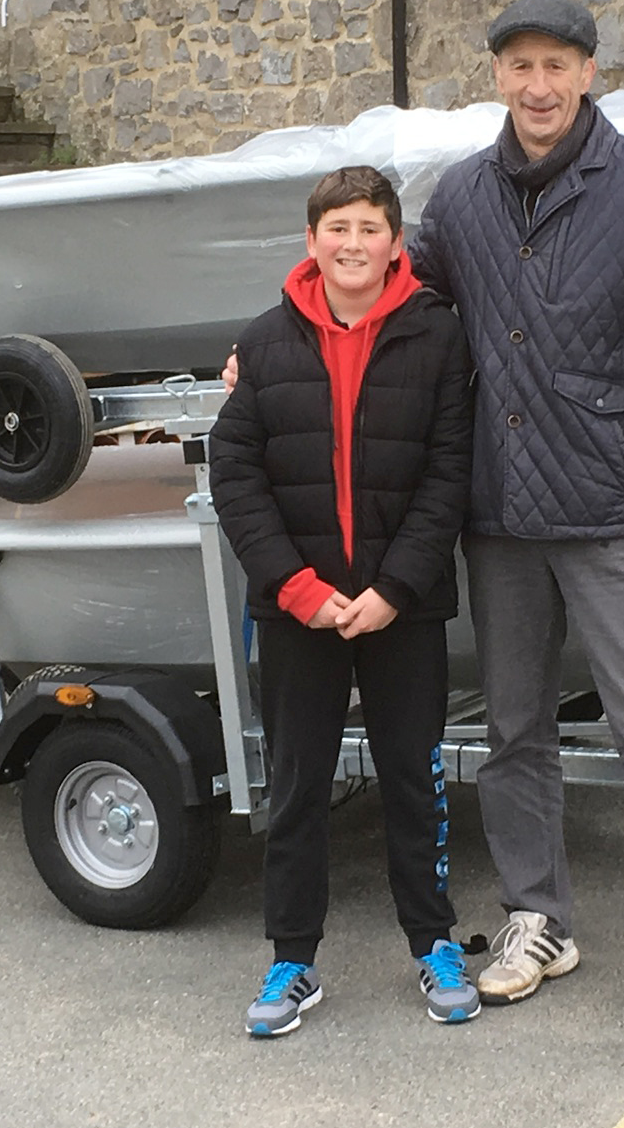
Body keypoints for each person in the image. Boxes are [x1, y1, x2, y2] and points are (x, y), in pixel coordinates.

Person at [411, 0, 624, 1045]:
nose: (538, 86)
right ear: (496, 77)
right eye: (519, 67)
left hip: (610, 511)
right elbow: (394, 304)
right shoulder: (460, 198)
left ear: (588, 73)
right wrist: (272, 329)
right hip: (498, 513)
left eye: (557, 65)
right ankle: (536, 920)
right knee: (512, 737)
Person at [208, 164, 478, 1037]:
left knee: (414, 776)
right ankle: (292, 957)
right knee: (296, 784)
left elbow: (450, 473)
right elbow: (236, 474)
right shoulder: (265, 344)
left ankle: (433, 943)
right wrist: (298, 588)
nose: (353, 243)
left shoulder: (438, 337)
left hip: (406, 606)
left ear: (396, 242)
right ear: (311, 241)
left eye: (370, 228)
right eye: (338, 228)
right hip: (301, 610)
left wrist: (394, 588)